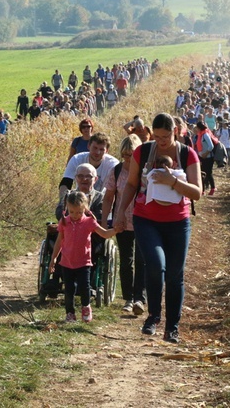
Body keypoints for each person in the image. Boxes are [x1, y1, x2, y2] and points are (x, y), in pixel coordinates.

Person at [115, 113, 202, 344]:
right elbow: (132, 183)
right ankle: (153, 317)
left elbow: (197, 192)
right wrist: (121, 212)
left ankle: (172, 327)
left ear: (175, 131)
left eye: (166, 136)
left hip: (178, 222)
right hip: (146, 219)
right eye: (157, 136)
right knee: (155, 265)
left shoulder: (187, 154)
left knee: (175, 275)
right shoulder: (142, 152)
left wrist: (172, 181)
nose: (161, 141)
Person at [49, 190, 118, 323]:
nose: (75, 215)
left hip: (84, 262)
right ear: (67, 208)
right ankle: (70, 313)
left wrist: (115, 230)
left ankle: (86, 307)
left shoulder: (89, 222)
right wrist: (54, 258)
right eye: (72, 212)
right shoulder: (64, 222)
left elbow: (104, 233)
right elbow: (59, 241)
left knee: (84, 287)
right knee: (69, 290)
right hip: (67, 262)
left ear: (85, 209)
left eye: (79, 212)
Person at [102, 135, 146, 315]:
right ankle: (128, 297)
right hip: (123, 222)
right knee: (126, 261)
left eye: (131, 155)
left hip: (143, 221)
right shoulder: (117, 171)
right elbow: (108, 198)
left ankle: (140, 298)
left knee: (141, 260)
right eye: (125, 155)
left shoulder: (144, 171)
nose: (127, 159)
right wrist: (105, 222)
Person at [59, 133, 119, 201]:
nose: (97, 152)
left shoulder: (113, 165)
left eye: (101, 149)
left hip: (101, 201)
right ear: (88, 146)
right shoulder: (77, 159)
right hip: (78, 199)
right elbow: (66, 183)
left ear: (107, 151)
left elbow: (117, 189)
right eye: (95, 148)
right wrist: (63, 203)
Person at [195, 121, 217, 195]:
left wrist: (205, 153)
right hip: (202, 157)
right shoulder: (200, 135)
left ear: (199, 128)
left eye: (197, 128)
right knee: (201, 173)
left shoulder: (205, 135)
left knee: (208, 173)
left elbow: (211, 146)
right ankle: (202, 190)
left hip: (208, 157)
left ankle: (213, 188)